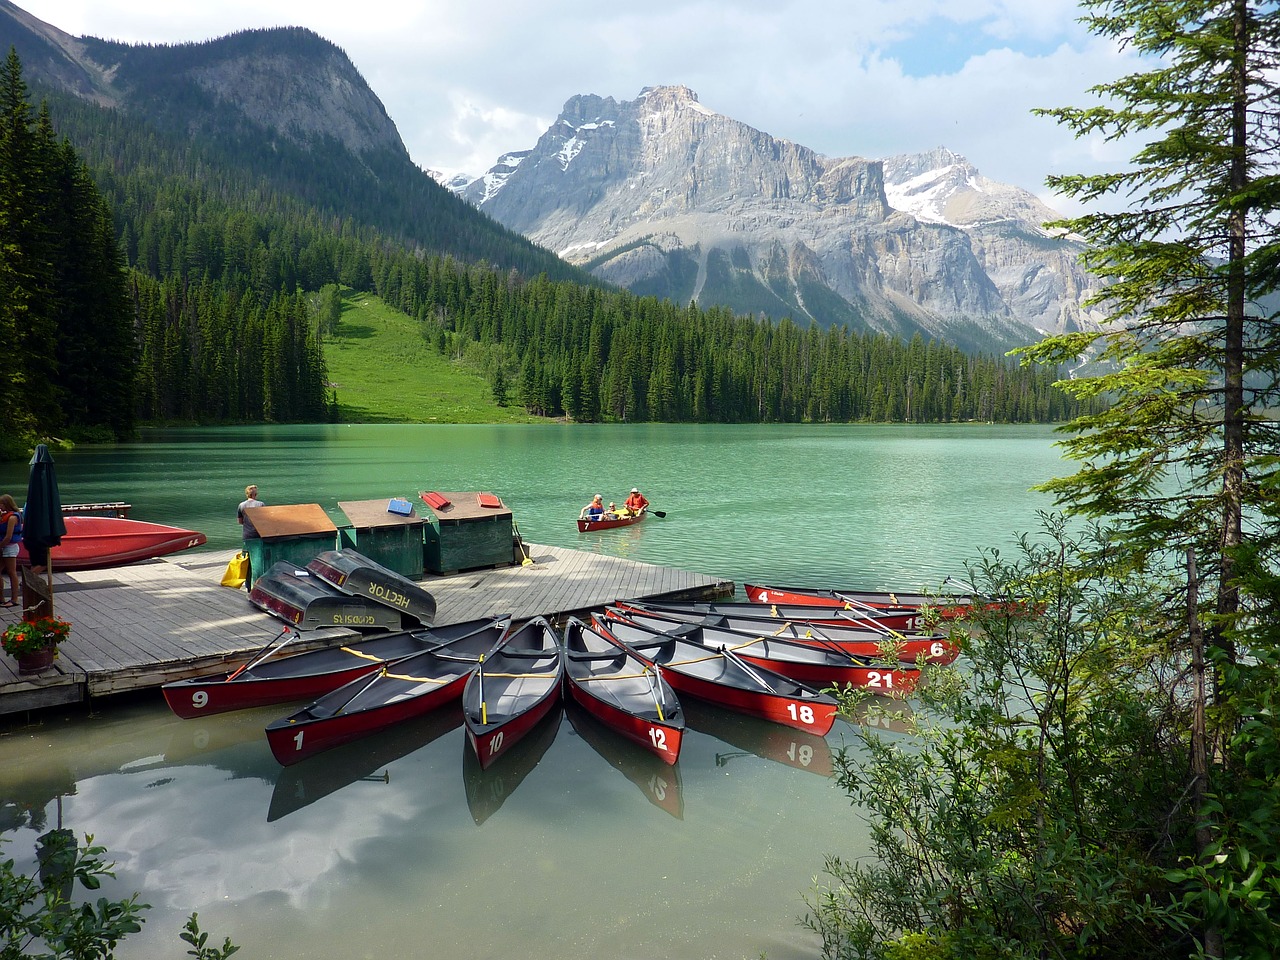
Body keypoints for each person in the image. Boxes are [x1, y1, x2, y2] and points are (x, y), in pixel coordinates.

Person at [237, 484, 264, 588]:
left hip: (247, 535)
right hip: (258, 535)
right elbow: (265, 520)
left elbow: (240, 521)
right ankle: (258, 583)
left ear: (246, 494)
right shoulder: (261, 504)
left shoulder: (241, 505)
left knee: (247, 560)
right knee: (259, 559)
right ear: (255, 494)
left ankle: (248, 584)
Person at [0, 494, 21, 608]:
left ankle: (14, 599)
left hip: (10, 547)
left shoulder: (13, 517)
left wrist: (0, 546)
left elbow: (8, 536)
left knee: (11, 572)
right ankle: (1, 597)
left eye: (1, 504)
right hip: (4, 547)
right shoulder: (4, 516)